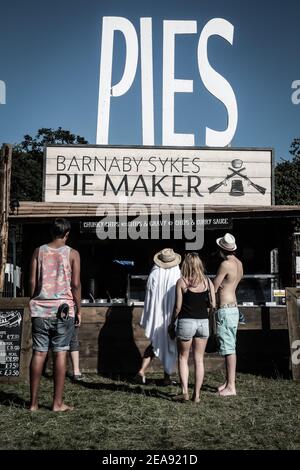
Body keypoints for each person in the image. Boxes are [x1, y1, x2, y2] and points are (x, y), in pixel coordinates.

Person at [28, 218, 81, 411]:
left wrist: (36, 299)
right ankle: (57, 403)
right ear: (66, 234)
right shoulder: (73, 254)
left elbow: (33, 282)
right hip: (63, 310)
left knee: (39, 353)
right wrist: (79, 308)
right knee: (60, 353)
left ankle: (33, 404)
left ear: (51, 233)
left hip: (40, 309)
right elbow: (75, 284)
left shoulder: (38, 251)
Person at [169, 252, 216, 403]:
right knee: (199, 359)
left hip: (186, 322)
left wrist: (171, 323)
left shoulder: (182, 282)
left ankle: (184, 393)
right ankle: (197, 395)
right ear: (199, 265)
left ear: (185, 265)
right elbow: (213, 305)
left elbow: (177, 308)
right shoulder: (208, 282)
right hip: (203, 323)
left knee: (183, 357)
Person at [134, 248, 181, 385]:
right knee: (170, 344)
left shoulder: (154, 272)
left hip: (157, 315)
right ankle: (165, 377)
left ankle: (143, 371)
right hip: (170, 314)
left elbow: (149, 292)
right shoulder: (176, 272)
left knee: (155, 342)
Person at [213, 233, 243, 396]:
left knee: (229, 348)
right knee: (230, 345)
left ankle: (231, 386)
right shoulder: (239, 263)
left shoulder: (225, 264)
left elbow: (215, 285)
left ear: (221, 249)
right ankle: (228, 382)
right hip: (234, 308)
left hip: (225, 309)